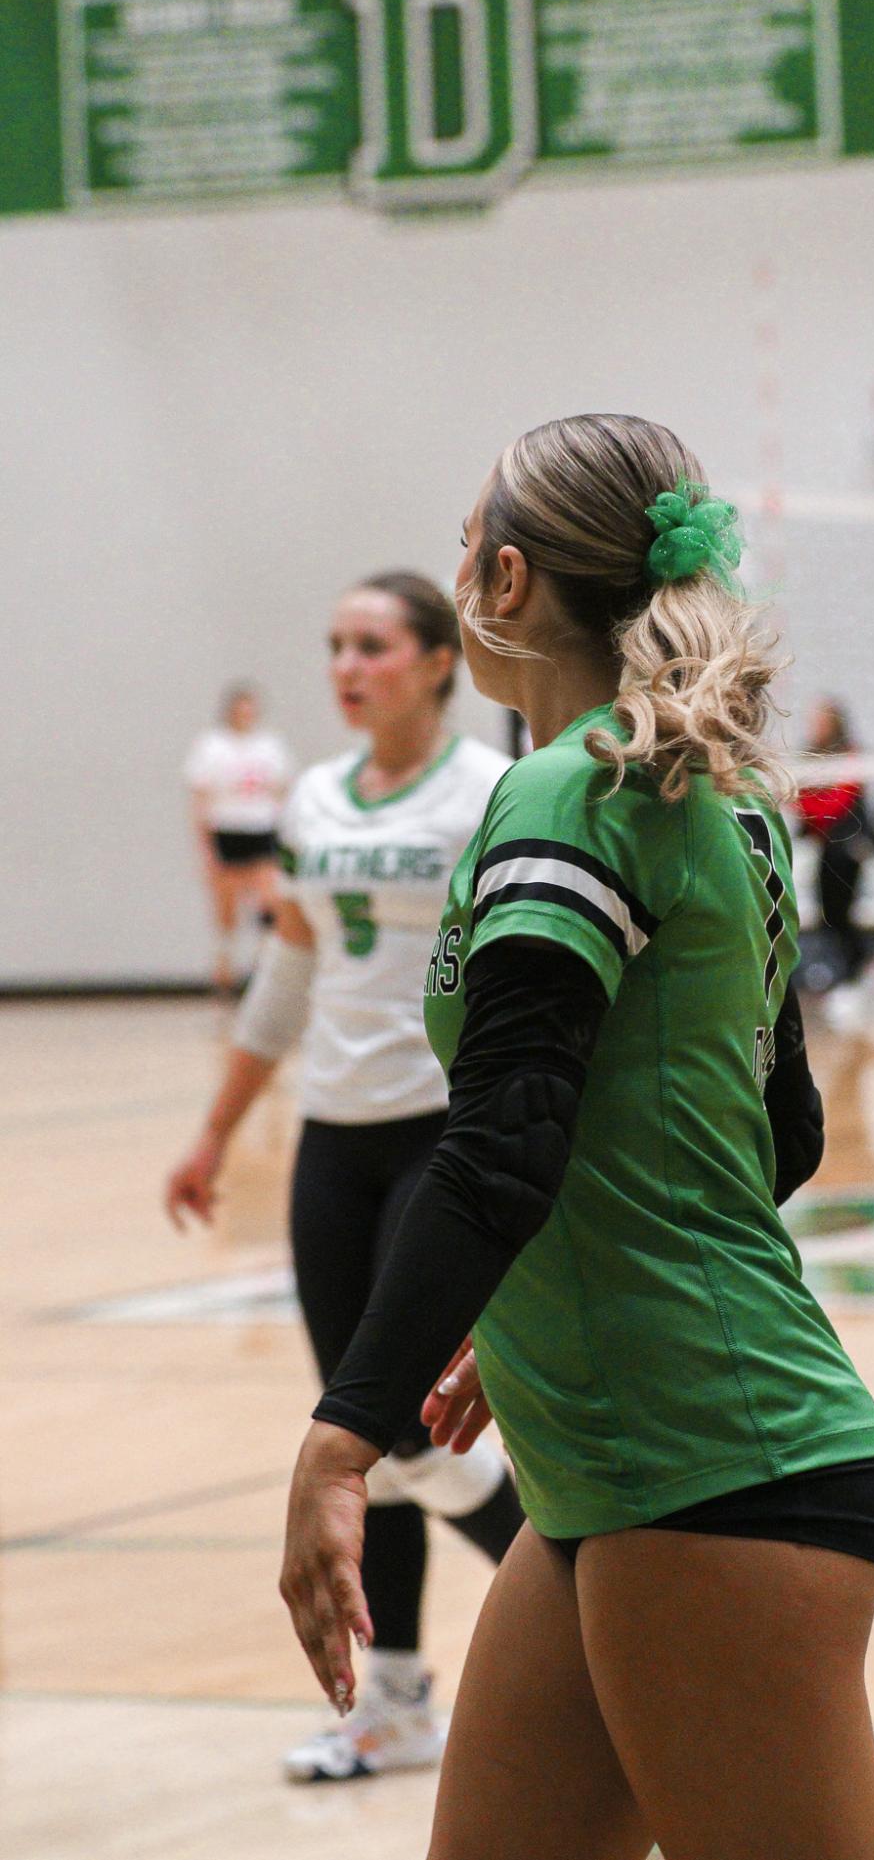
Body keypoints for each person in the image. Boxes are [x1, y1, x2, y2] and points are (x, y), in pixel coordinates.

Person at [279, 417, 874, 1860]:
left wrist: (340, 1437)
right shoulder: (722, 796)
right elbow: (771, 1130)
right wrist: (531, 1310)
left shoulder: (566, 789)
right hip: (604, 1475)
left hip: (710, 1462)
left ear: (500, 583)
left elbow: (503, 1143)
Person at [167, 572, 524, 1782]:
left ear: (437, 660)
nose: (346, 666)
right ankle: (400, 1703)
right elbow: (289, 973)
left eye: (372, 644)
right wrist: (217, 1133)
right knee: (355, 1438)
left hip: (444, 1130)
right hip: (334, 1140)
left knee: (410, 1429)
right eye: (334, 646)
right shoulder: (315, 797)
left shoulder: (492, 793)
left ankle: (586, 1594)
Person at [184, 683, 293, 992]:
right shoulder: (211, 746)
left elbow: (283, 791)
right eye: (240, 708)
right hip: (227, 829)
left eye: (251, 708)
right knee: (227, 904)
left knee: (269, 898)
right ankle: (225, 965)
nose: (246, 714)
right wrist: (205, 846)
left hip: (262, 829)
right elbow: (200, 797)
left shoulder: (270, 746)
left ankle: (265, 966)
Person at [794, 698, 874, 986]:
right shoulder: (809, 757)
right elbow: (800, 799)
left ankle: (858, 972)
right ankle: (840, 974)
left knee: (843, 912)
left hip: (847, 848)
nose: (815, 728)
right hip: (823, 848)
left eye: (821, 722)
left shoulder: (849, 755)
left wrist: (807, 808)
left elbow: (838, 802)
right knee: (826, 912)